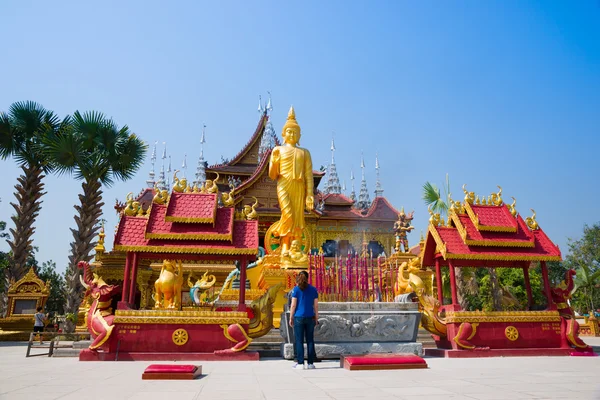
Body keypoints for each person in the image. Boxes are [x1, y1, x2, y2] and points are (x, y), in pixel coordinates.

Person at [268, 106, 314, 260]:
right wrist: (274, 162)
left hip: (299, 186)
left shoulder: (304, 152)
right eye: (289, 131)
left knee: (298, 217)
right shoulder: (278, 150)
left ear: (299, 135)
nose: (292, 134)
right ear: (283, 133)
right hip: (284, 184)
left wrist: (310, 195)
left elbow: (308, 175)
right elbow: (273, 175)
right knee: (287, 213)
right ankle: (285, 245)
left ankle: (295, 245)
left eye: (295, 132)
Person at [289, 270, 318, 369]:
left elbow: (293, 305)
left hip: (298, 317)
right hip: (310, 317)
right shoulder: (313, 289)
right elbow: (316, 306)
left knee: (299, 340)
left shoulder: (296, 289)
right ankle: (310, 363)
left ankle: (300, 363)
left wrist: (291, 317)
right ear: (308, 278)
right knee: (310, 340)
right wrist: (316, 317)